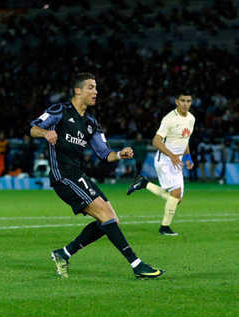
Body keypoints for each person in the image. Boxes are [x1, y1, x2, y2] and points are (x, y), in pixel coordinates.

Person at [26, 72, 164, 279]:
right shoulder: (60, 111)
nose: (95, 92)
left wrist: (119, 154)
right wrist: (45, 132)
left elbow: (104, 154)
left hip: (77, 174)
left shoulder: (91, 123)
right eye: (91, 87)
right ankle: (137, 265)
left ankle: (64, 253)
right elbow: (32, 128)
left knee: (110, 219)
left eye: (96, 88)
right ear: (78, 90)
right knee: (106, 215)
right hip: (63, 175)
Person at [127, 89, 195, 236]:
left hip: (177, 160)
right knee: (175, 194)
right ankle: (164, 228)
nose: (185, 104)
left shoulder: (191, 119)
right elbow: (156, 141)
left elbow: (186, 139)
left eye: (188, 101)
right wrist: (172, 156)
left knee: (177, 199)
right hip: (165, 159)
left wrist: (188, 157)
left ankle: (144, 183)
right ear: (176, 101)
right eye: (182, 101)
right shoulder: (169, 119)